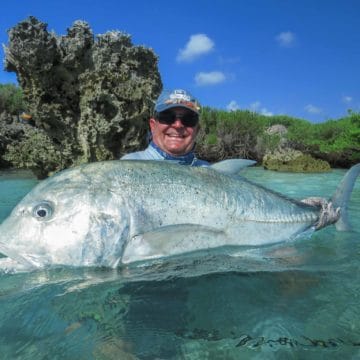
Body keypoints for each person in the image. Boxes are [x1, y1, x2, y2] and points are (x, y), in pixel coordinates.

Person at [121, 89, 209, 166]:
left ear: (197, 130)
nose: (177, 125)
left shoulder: (211, 173)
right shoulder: (127, 165)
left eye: (189, 119)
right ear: (152, 125)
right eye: (167, 117)